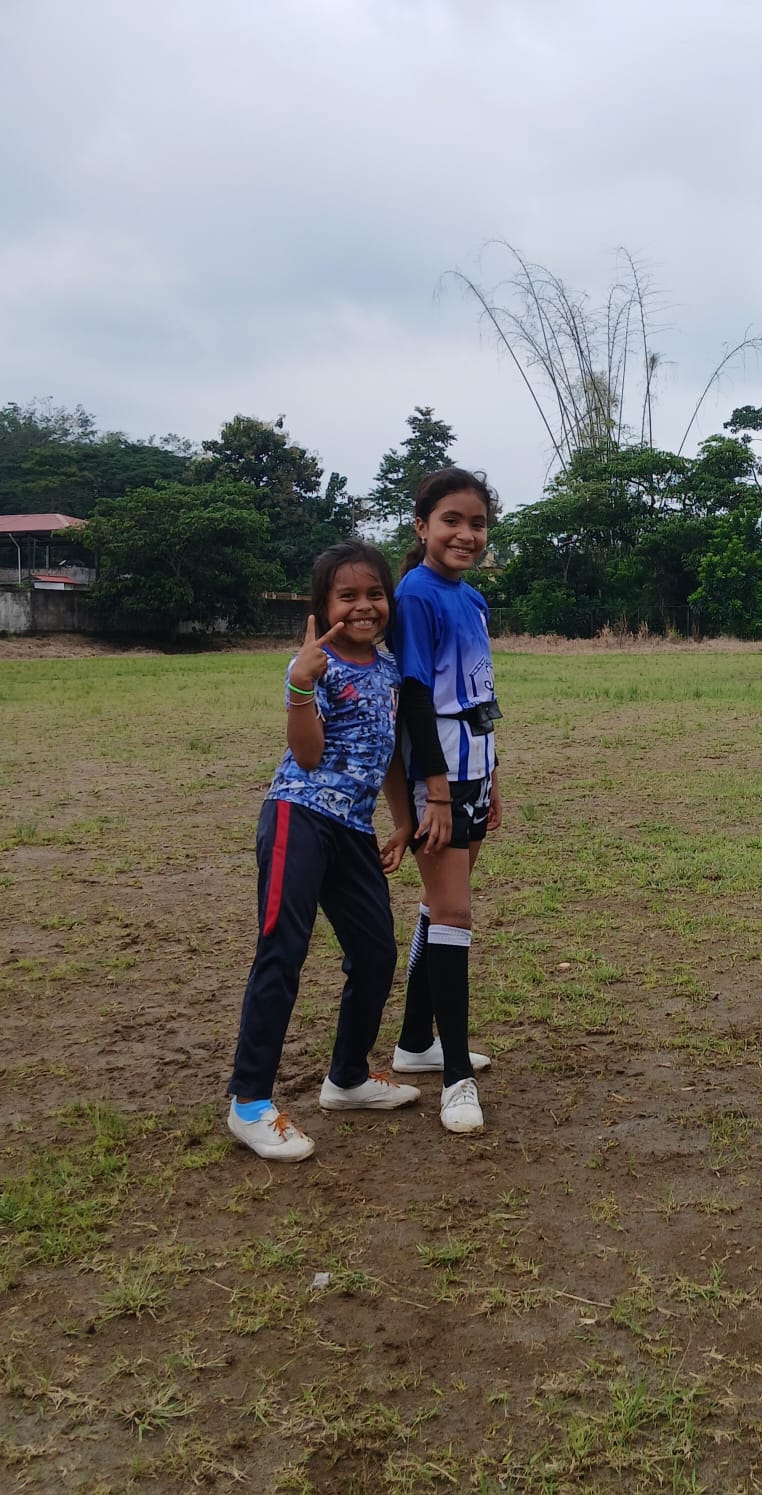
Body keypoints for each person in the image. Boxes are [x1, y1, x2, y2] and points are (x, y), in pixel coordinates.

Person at [226, 541, 420, 1162]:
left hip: (354, 829)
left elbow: (389, 751)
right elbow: (308, 756)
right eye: (347, 596)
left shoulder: (389, 669)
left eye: (375, 594)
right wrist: (299, 684)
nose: (364, 606)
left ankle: (348, 1078)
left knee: (376, 952)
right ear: (323, 606)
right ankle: (249, 1103)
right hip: (299, 817)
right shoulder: (314, 665)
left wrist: (403, 821)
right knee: (283, 950)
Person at [390, 467, 503, 1134]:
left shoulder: (473, 598)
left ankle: (415, 1042)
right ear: (422, 526)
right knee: (455, 910)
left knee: (441, 907)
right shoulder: (415, 595)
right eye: (451, 520)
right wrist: (432, 793)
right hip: (437, 776)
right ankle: (456, 1076)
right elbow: (412, 698)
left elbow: (479, 691)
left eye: (477, 523)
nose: (466, 534)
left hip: (474, 767)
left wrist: (495, 776)